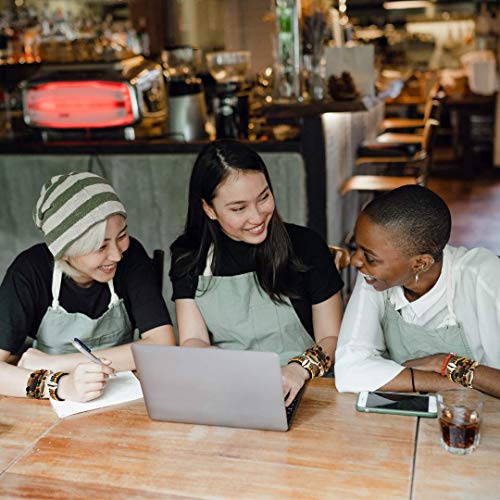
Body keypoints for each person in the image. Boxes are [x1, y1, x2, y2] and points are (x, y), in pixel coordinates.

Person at [169, 140, 343, 406]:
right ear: (209, 209)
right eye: (239, 208)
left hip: (308, 388)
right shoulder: (189, 257)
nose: (257, 217)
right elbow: (193, 339)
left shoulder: (306, 246)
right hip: (227, 388)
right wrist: (233, 371)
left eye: (263, 197)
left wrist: (298, 370)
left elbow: (332, 337)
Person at [0, 172, 175, 402]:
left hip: (124, 393)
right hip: (50, 402)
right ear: (65, 252)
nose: (116, 255)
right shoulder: (29, 271)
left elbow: (162, 345)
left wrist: (53, 363)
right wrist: (61, 385)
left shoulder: (131, 257)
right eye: (100, 247)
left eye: (121, 235)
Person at [335, 185, 500, 398]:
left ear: (421, 263)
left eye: (370, 257)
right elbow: (349, 370)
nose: (355, 261)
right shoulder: (373, 276)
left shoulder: (484, 278)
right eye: (356, 248)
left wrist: (444, 363)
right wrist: (457, 382)